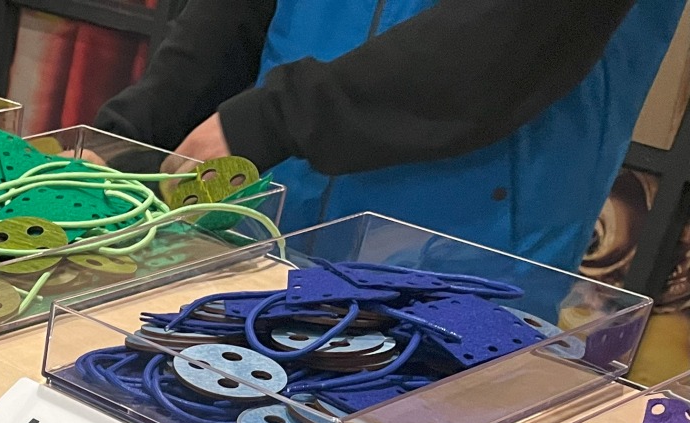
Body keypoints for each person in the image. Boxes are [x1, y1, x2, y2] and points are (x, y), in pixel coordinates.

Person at [95, 0, 688, 269]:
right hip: (256, 234)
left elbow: (506, 40)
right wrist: (124, 143)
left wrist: (277, 118)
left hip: (455, 264)